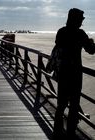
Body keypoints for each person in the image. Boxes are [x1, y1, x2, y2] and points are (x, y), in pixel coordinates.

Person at [47, 8, 95, 139]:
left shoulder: (61, 32)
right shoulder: (80, 34)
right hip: (74, 74)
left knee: (61, 105)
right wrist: (91, 42)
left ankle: (57, 132)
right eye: (81, 19)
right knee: (73, 106)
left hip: (62, 73)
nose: (81, 22)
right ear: (76, 19)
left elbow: (58, 45)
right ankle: (70, 133)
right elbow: (91, 50)